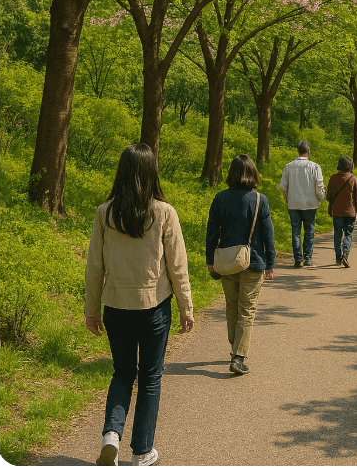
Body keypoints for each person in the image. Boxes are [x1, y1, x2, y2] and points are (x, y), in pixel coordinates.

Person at [85, 143, 194, 468]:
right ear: (151, 173)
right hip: (154, 309)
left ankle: (111, 437)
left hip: (115, 306)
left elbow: (95, 266)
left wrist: (91, 308)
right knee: (150, 379)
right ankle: (143, 452)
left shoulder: (105, 212)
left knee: (121, 374)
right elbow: (178, 267)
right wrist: (186, 306)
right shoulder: (164, 212)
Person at [206, 154, 275, 375]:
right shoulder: (259, 200)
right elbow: (268, 235)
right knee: (247, 310)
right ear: (253, 173)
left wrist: (210, 260)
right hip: (253, 262)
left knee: (232, 307)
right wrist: (270, 262)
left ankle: (235, 349)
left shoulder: (220, 198)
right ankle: (238, 356)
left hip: (227, 263)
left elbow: (211, 232)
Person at [279, 139, 325, 267]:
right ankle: (308, 258)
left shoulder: (288, 166)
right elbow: (319, 186)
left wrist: (287, 200)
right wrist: (320, 198)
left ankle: (298, 259)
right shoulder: (315, 167)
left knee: (296, 231)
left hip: (293, 203)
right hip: (310, 203)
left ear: (298, 150)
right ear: (309, 151)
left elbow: (284, 187)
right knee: (309, 230)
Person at [327, 155, 357, 267]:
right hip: (350, 212)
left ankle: (338, 257)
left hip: (337, 212)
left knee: (337, 234)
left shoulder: (333, 178)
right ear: (350, 166)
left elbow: (329, 196)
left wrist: (330, 207)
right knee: (348, 234)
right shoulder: (353, 179)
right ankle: (346, 253)